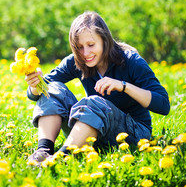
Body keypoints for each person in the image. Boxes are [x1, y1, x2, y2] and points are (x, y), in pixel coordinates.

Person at [25, 11, 170, 164]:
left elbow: (163, 105)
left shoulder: (131, 61)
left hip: (133, 134)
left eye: (91, 45)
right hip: (92, 129)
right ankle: (43, 152)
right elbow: (43, 91)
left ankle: (62, 158)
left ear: (105, 40)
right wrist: (35, 85)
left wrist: (123, 86)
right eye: (79, 47)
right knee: (53, 88)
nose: (85, 53)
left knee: (93, 102)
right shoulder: (77, 61)